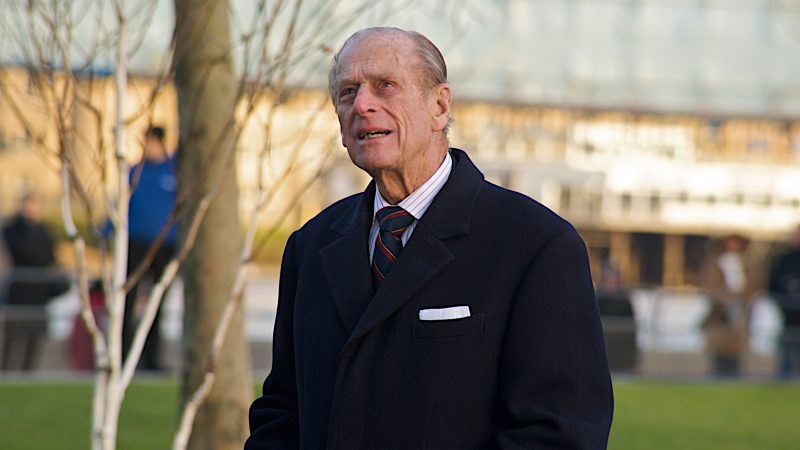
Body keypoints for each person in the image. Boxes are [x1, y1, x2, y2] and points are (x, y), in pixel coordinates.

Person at [246, 28, 613, 449]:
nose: (362, 104)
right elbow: (283, 412)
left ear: (439, 106)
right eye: (348, 92)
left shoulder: (536, 245)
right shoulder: (309, 246)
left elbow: (561, 433)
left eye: (385, 85)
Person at [121, 126, 178, 371]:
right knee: (128, 301)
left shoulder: (174, 171)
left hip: (164, 247)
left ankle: (151, 358)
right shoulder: (135, 172)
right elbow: (122, 205)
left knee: (156, 303)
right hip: (136, 245)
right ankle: (124, 356)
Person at [1, 194, 68, 371]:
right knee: (13, 338)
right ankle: (6, 373)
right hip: (19, 293)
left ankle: (28, 373)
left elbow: (50, 255)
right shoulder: (13, 229)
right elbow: (23, 251)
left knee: (34, 340)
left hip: (39, 294)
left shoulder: (45, 231)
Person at [702, 234, 759, 377]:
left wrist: (740, 299)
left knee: (736, 356)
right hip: (720, 316)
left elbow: (752, 289)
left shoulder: (747, 266)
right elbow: (711, 289)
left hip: (740, 317)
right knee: (719, 354)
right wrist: (727, 298)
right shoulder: (716, 266)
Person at [768, 225, 800, 379]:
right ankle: (783, 377)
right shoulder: (784, 260)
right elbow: (772, 284)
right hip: (787, 313)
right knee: (786, 348)